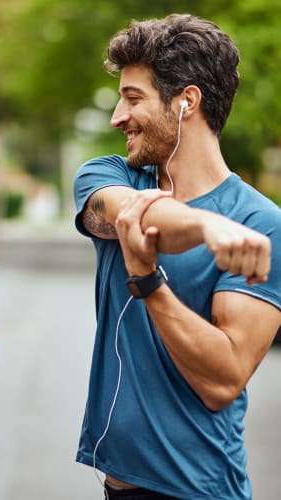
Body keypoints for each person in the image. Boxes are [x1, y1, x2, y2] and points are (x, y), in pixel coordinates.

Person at [73, 14, 281, 500]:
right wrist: (207, 225)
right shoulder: (111, 175)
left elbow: (223, 380)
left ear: (187, 102)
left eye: (133, 98)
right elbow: (131, 217)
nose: (117, 118)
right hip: (117, 487)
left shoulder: (261, 224)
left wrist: (147, 280)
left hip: (197, 489)